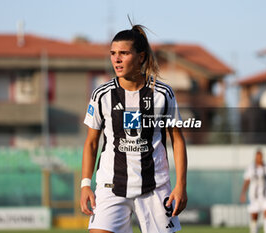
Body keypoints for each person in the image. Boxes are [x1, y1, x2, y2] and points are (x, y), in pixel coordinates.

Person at [80, 22, 187, 233]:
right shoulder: (102, 95)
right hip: (111, 186)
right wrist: (85, 184)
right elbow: (92, 143)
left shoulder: (162, 93)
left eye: (124, 53)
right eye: (113, 53)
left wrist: (181, 185)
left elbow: (177, 139)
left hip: (155, 188)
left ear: (141, 57)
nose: (116, 59)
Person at [240, 149, 266, 233]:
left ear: (262, 157)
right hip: (254, 196)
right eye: (257, 157)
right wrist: (243, 193)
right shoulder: (250, 167)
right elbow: (247, 181)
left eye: (260, 156)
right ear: (255, 157)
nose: (259, 158)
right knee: (254, 216)